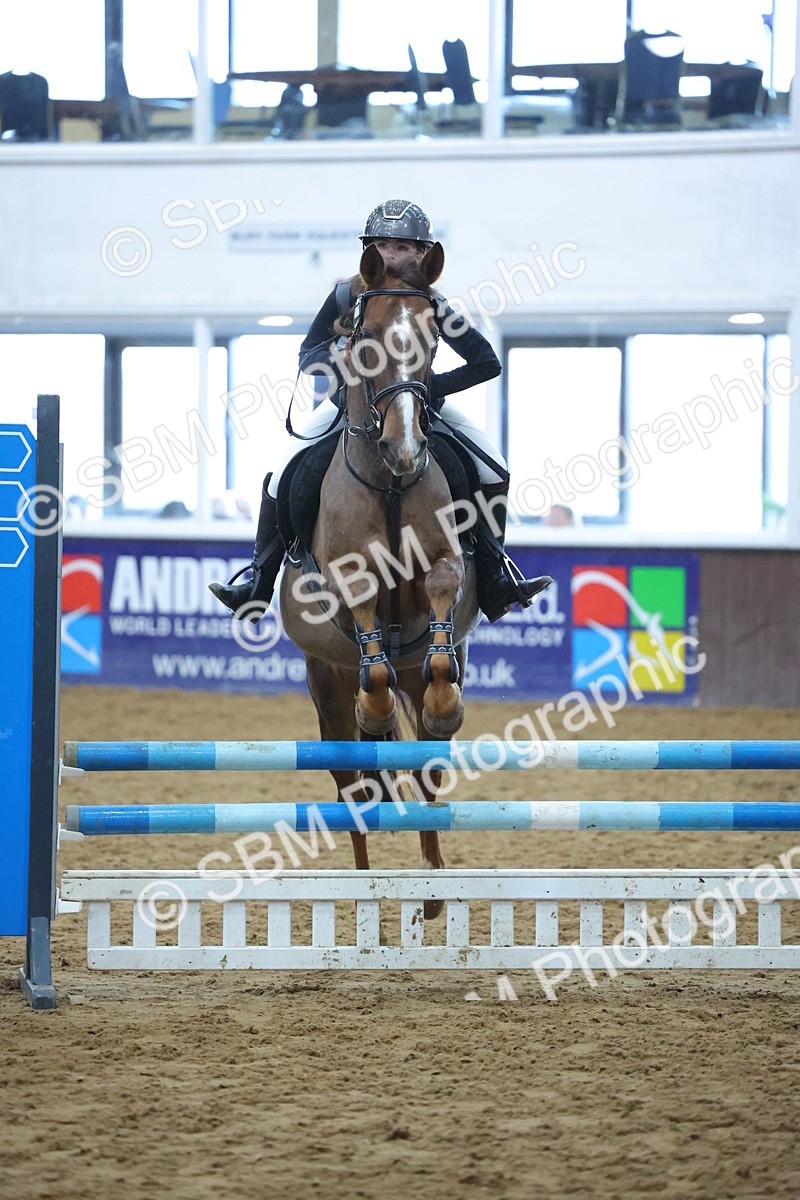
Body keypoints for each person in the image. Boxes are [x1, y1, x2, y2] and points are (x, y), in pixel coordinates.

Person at [210, 198, 551, 625]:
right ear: (370, 250)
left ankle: (496, 574)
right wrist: (343, 356)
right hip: (349, 411)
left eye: (404, 247)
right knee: (284, 473)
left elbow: (487, 362)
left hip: (422, 409)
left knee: (494, 469)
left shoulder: (434, 304)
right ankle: (258, 580)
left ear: (422, 254)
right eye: (385, 246)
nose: (393, 255)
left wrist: (429, 387)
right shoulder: (343, 296)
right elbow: (307, 356)